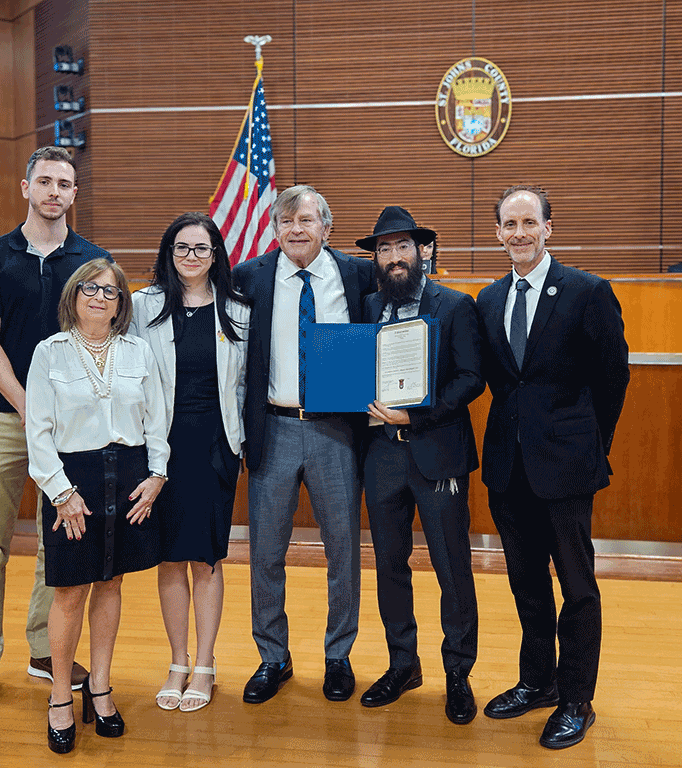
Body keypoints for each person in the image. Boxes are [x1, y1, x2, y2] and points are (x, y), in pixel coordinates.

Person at [0, 146, 108, 716]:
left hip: (72, 427)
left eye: (64, 183)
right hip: (2, 415)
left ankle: (46, 651)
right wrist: (28, 406)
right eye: (44, 181)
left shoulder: (93, 261)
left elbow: (103, 340)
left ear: (74, 194)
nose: (54, 191)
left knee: (59, 540)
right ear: (25, 188)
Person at [476, 185, 630, 749]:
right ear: (498, 233)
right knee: (526, 583)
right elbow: (499, 382)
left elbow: (613, 378)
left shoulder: (588, 292)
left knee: (577, 586)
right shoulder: (487, 300)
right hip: (508, 469)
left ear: (548, 227)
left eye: (528, 222)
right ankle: (536, 681)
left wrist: (590, 445)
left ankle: (575, 700)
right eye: (509, 225)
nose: (519, 233)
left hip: (567, 468)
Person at [233, 184, 377, 704]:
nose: (297, 229)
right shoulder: (248, 277)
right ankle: (273, 656)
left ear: (327, 228)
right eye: (287, 220)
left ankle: (338, 656)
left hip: (335, 430)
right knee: (266, 552)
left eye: (307, 220)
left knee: (343, 550)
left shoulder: (358, 275)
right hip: (272, 429)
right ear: (274, 228)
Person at [26, 259, 169, 753]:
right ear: (73, 295)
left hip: (130, 478)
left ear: (121, 304)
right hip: (73, 482)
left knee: (111, 583)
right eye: (89, 288)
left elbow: (157, 420)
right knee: (69, 591)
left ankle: (101, 688)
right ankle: (62, 698)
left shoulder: (138, 351)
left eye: (109, 292)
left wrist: (156, 476)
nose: (98, 297)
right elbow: (38, 432)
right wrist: (61, 493)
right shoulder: (50, 353)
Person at [354, 206, 484, 725]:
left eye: (401, 246)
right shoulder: (367, 307)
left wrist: (418, 412)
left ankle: (458, 671)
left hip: (437, 451)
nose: (392, 257)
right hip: (382, 455)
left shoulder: (454, 306)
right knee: (390, 565)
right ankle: (403, 664)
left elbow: (471, 379)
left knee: (451, 568)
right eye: (383, 249)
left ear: (422, 250)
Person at [129, 212, 250, 713]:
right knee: (170, 556)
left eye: (201, 249)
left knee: (207, 556)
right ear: (168, 253)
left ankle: (205, 663)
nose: (192, 258)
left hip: (216, 447)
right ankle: (177, 661)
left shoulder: (239, 309)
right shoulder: (143, 305)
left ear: (216, 255)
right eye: (182, 248)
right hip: (161, 447)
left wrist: (239, 444)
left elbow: (245, 384)